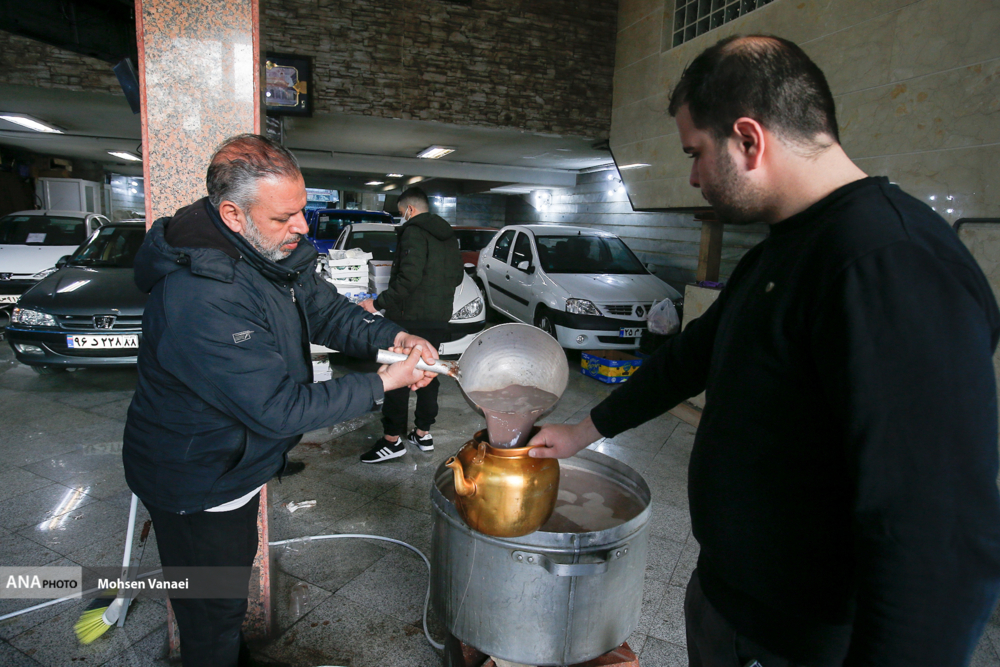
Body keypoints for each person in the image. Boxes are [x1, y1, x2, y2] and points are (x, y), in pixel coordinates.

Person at [529, 35, 1000, 667]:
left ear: (749, 139)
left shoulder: (890, 262)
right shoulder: (785, 248)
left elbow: (937, 539)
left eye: (696, 153)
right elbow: (691, 356)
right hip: (734, 603)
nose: (694, 177)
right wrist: (582, 431)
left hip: (801, 640)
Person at [122, 134, 438, 667]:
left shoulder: (267, 253)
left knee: (225, 592)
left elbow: (331, 312)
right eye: (284, 217)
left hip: (234, 463)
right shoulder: (202, 294)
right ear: (232, 214)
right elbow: (279, 407)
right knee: (210, 611)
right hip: (196, 478)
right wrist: (383, 383)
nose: (302, 226)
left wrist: (393, 338)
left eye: (302, 209)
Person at [358, 187, 463, 463]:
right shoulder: (448, 235)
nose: (400, 217)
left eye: (400, 212)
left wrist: (378, 303)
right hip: (438, 317)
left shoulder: (413, 232)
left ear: (410, 210)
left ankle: (392, 440)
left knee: (400, 374)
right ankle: (422, 432)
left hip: (409, 317)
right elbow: (458, 276)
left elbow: (408, 279)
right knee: (429, 371)